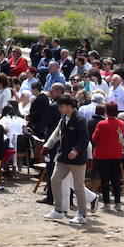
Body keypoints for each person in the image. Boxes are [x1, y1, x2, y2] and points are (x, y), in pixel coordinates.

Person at [46, 94, 90, 225]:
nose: (59, 109)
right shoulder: (63, 119)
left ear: (69, 107)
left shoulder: (80, 119)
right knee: (54, 180)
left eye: (62, 106)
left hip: (77, 160)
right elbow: (58, 135)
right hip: (63, 158)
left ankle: (82, 214)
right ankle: (58, 210)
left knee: (78, 187)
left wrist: (76, 150)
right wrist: (48, 146)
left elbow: (85, 139)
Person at [90, 102, 124, 209]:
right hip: (116, 154)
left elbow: (94, 138)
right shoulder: (122, 123)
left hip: (102, 155)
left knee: (104, 179)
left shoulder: (101, 124)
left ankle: (106, 203)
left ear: (106, 111)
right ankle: (118, 203)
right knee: (116, 179)